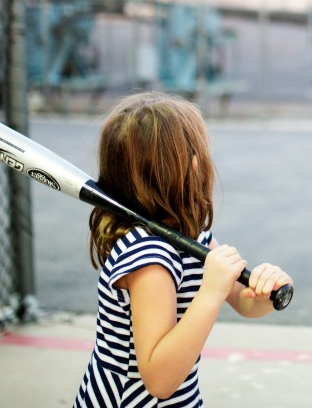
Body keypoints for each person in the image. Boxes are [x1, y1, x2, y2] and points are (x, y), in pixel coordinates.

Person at [73, 91, 292, 408]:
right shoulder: (148, 261)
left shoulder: (194, 234)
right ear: (185, 166)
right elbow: (159, 380)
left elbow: (245, 305)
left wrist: (265, 291)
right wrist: (210, 292)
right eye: (197, 152)